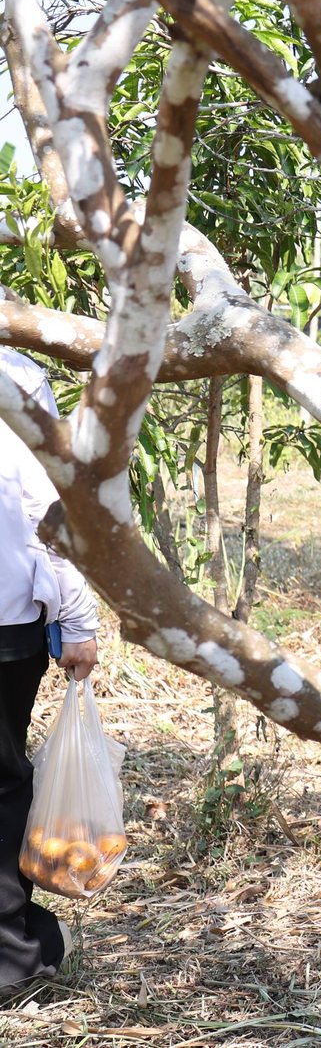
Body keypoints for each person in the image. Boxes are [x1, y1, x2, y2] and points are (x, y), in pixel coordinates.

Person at [0, 346, 99, 987]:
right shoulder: (13, 374)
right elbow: (48, 508)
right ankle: (9, 952)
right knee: (4, 781)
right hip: (5, 621)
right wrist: (81, 619)